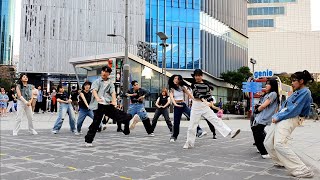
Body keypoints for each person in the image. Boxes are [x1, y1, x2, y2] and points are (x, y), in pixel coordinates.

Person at [264, 70, 315, 178]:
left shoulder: (305, 92)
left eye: (294, 81)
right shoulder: (296, 91)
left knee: (279, 144)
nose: (292, 83)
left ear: (301, 81)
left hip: (291, 117)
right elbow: (286, 106)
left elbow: (295, 109)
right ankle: (281, 161)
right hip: (283, 116)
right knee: (268, 142)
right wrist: (278, 114)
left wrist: (278, 117)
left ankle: (302, 169)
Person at [183, 69, 240, 149]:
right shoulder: (194, 84)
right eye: (196, 76)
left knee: (215, 120)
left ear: (202, 76)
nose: (197, 77)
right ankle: (189, 143)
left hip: (205, 106)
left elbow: (209, 95)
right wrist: (204, 100)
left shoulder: (206, 85)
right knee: (192, 125)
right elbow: (197, 94)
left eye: (199, 75)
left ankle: (230, 132)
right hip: (196, 106)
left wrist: (212, 102)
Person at [84, 66, 133, 147]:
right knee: (96, 122)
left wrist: (114, 101)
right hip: (98, 105)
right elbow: (94, 91)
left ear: (109, 74)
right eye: (103, 71)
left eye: (106, 72)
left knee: (117, 116)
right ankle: (88, 140)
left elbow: (113, 93)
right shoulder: (97, 81)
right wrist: (97, 98)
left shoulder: (110, 83)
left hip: (107, 104)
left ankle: (130, 117)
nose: (104, 73)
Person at [168, 74, 204, 142]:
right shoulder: (171, 89)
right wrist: (175, 104)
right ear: (173, 80)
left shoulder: (182, 87)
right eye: (175, 78)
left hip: (183, 105)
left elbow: (189, 94)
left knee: (192, 116)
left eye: (177, 78)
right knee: (176, 122)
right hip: (177, 106)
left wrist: (197, 100)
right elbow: (172, 98)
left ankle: (199, 130)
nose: (176, 80)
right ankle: (174, 136)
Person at [251, 79, 280, 159]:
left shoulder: (273, 94)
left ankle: (264, 152)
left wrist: (257, 110)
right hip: (260, 117)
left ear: (273, 85)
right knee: (258, 131)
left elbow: (264, 105)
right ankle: (263, 147)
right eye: (266, 84)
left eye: (268, 84)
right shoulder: (269, 94)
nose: (266, 86)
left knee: (257, 132)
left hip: (263, 117)